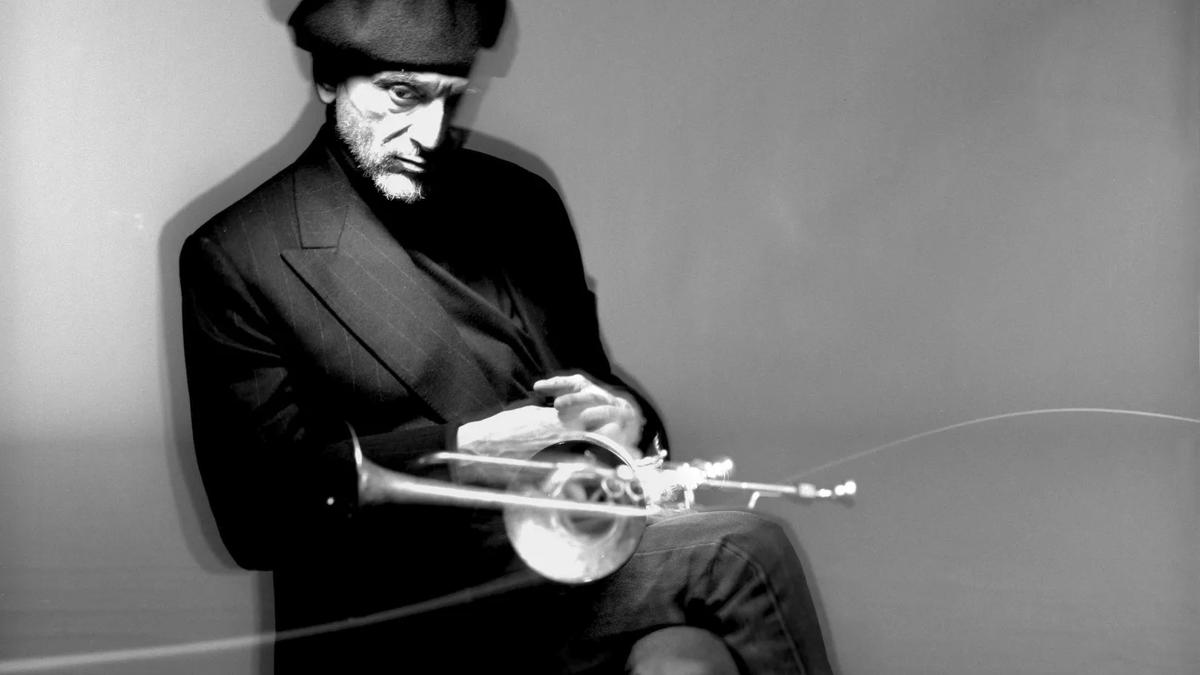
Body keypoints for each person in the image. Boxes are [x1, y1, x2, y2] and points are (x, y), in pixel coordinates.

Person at [179, 0, 832, 672]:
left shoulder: (521, 205)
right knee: (742, 553)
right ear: (328, 79)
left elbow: (594, 380)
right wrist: (470, 448)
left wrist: (630, 420)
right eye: (402, 94)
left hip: (566, 566)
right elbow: (257, 513)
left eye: (449, 100)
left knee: (687, 658)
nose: (429, 134)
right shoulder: (240, 254)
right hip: (409, 610)